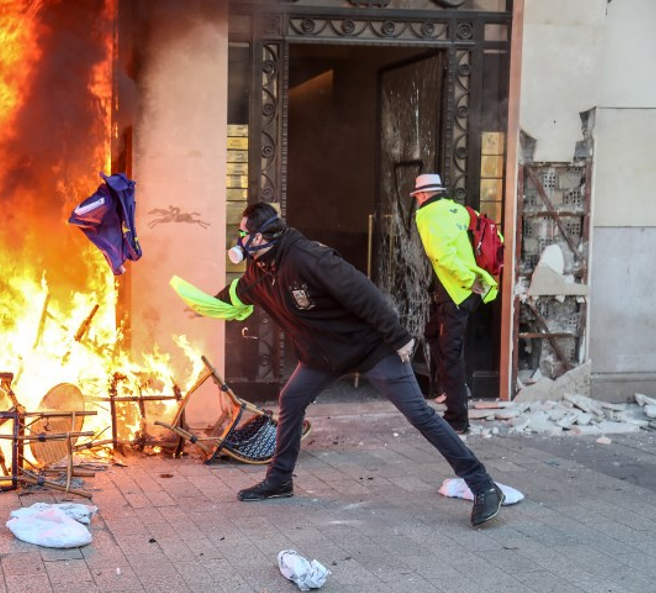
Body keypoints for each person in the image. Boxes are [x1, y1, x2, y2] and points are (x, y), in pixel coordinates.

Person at [213, 201, 504, 527]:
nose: (238, 240)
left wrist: (398, 337)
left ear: (265, 236)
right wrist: (207, 305)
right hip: (324, 355)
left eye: (243, 233)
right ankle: (280, 479)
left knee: (419, 414)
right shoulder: (260, 269)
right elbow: (239, 293)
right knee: (291, 399)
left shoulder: (310, 259)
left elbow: (364, 293)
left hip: (371, 347)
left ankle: (483, 484)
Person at [410, 174, 498, 434]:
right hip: (464, 290)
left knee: (450, 353)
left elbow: (441, 255)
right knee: (432, 335)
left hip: (457, 292)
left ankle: (457, 418)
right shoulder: (457, 209)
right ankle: (452, 389)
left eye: (417, 196)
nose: (416, 201)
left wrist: (468, 279)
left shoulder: (428, 214)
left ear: (423, 195)